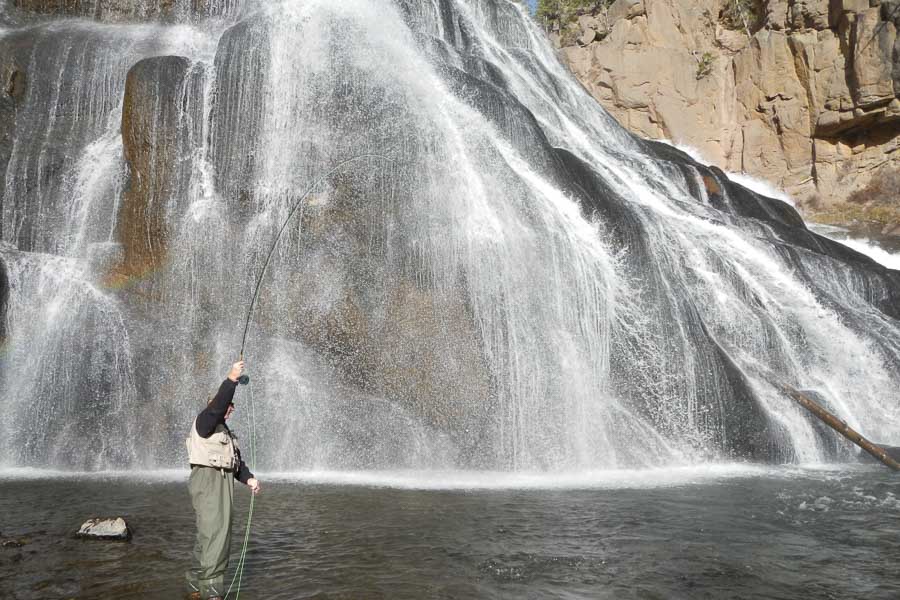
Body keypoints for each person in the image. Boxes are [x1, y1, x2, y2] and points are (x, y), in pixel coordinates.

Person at [185, 360, 261, 600]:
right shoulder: (205, 422)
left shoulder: (226, 433)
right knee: (216, 534)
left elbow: (236, 464)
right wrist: (231, 379)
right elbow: (217, 407)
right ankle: (212, 593)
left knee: (208, 534)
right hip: (208, 481)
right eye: (227, 405)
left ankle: (195, 588)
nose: (230, 409)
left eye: (232, 406)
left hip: (223, 481)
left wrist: (248, 479)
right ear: (215, 404)